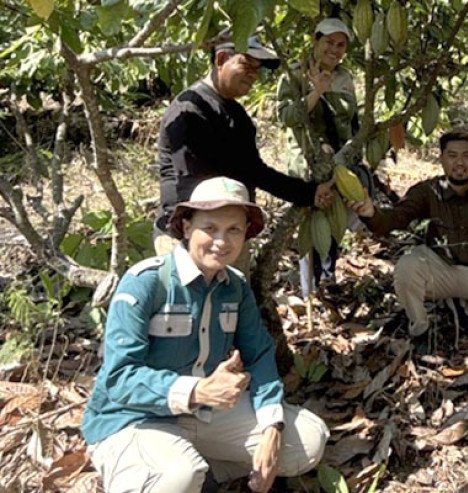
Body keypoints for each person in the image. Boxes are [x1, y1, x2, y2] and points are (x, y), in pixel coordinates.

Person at [82, 177, 329, 492]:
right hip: (134, 418)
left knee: (307, 441)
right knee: (177, 475)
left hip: (204, 413)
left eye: (233, 230)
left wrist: (272, 425)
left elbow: (259, 355)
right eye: (210, 228)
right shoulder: (147, 282)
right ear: (187, 228)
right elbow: (119, 377)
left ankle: (200, 472)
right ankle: (146, 470)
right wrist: (197, 391)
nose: (221, 241)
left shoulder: (235, 287)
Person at [155, 34, 334, 271]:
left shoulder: (237, 114)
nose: (253, 75)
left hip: (227, 232)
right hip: (188, 235)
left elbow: (254, 171)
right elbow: (194, 182)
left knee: (233, 294)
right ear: (221, 59)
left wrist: (309, 193)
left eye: (257, 69)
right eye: (247, 65)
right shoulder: (189, 109)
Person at [349, 129, 468, 338]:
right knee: (407, 267)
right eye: (452, 156)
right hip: (439, 269)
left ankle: (465, 308)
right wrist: (371, 214)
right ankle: (420, 327)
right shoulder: (428, 192)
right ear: (441, 159)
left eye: (467, 156)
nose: (459, 163)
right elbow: (396, 218)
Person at [276, 18, 370, 297]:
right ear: (315, 40)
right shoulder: (294, 75)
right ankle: (308, 290)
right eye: (329, 42)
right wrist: (316, 92)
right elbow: (287, 117)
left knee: (334, 223)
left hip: (339, 162)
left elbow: (352, 122)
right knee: (311, 225)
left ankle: (326, 282)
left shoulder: (345, 78)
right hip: (307, 165)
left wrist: (354, 154)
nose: (334, 49)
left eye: (341, 45)